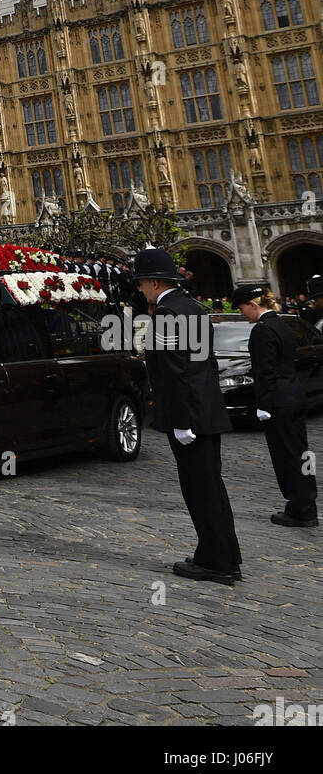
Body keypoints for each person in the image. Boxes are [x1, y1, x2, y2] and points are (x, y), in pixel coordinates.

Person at [133, 248, 241, 586]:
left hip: (189, 417)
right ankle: (221, 554)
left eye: (141, 283)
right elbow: (206, 364)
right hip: (206, 410)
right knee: (212, 487)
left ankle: (217, 563)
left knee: (200, 490)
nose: (139, 290)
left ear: (153, 282)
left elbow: (172, 371)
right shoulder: (192, 307)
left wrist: (181, 420)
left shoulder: (166, 313)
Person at [232, 283, 318, 528]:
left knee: (285, 456)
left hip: (278, 401)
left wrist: (263, 404)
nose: (241, 313)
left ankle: (300, 508)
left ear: (253, 304)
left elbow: (264, 370)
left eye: (241, 308)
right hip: (294, 396)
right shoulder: (284, 325)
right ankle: (306, 502)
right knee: (302, 453)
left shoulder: (262, 330)